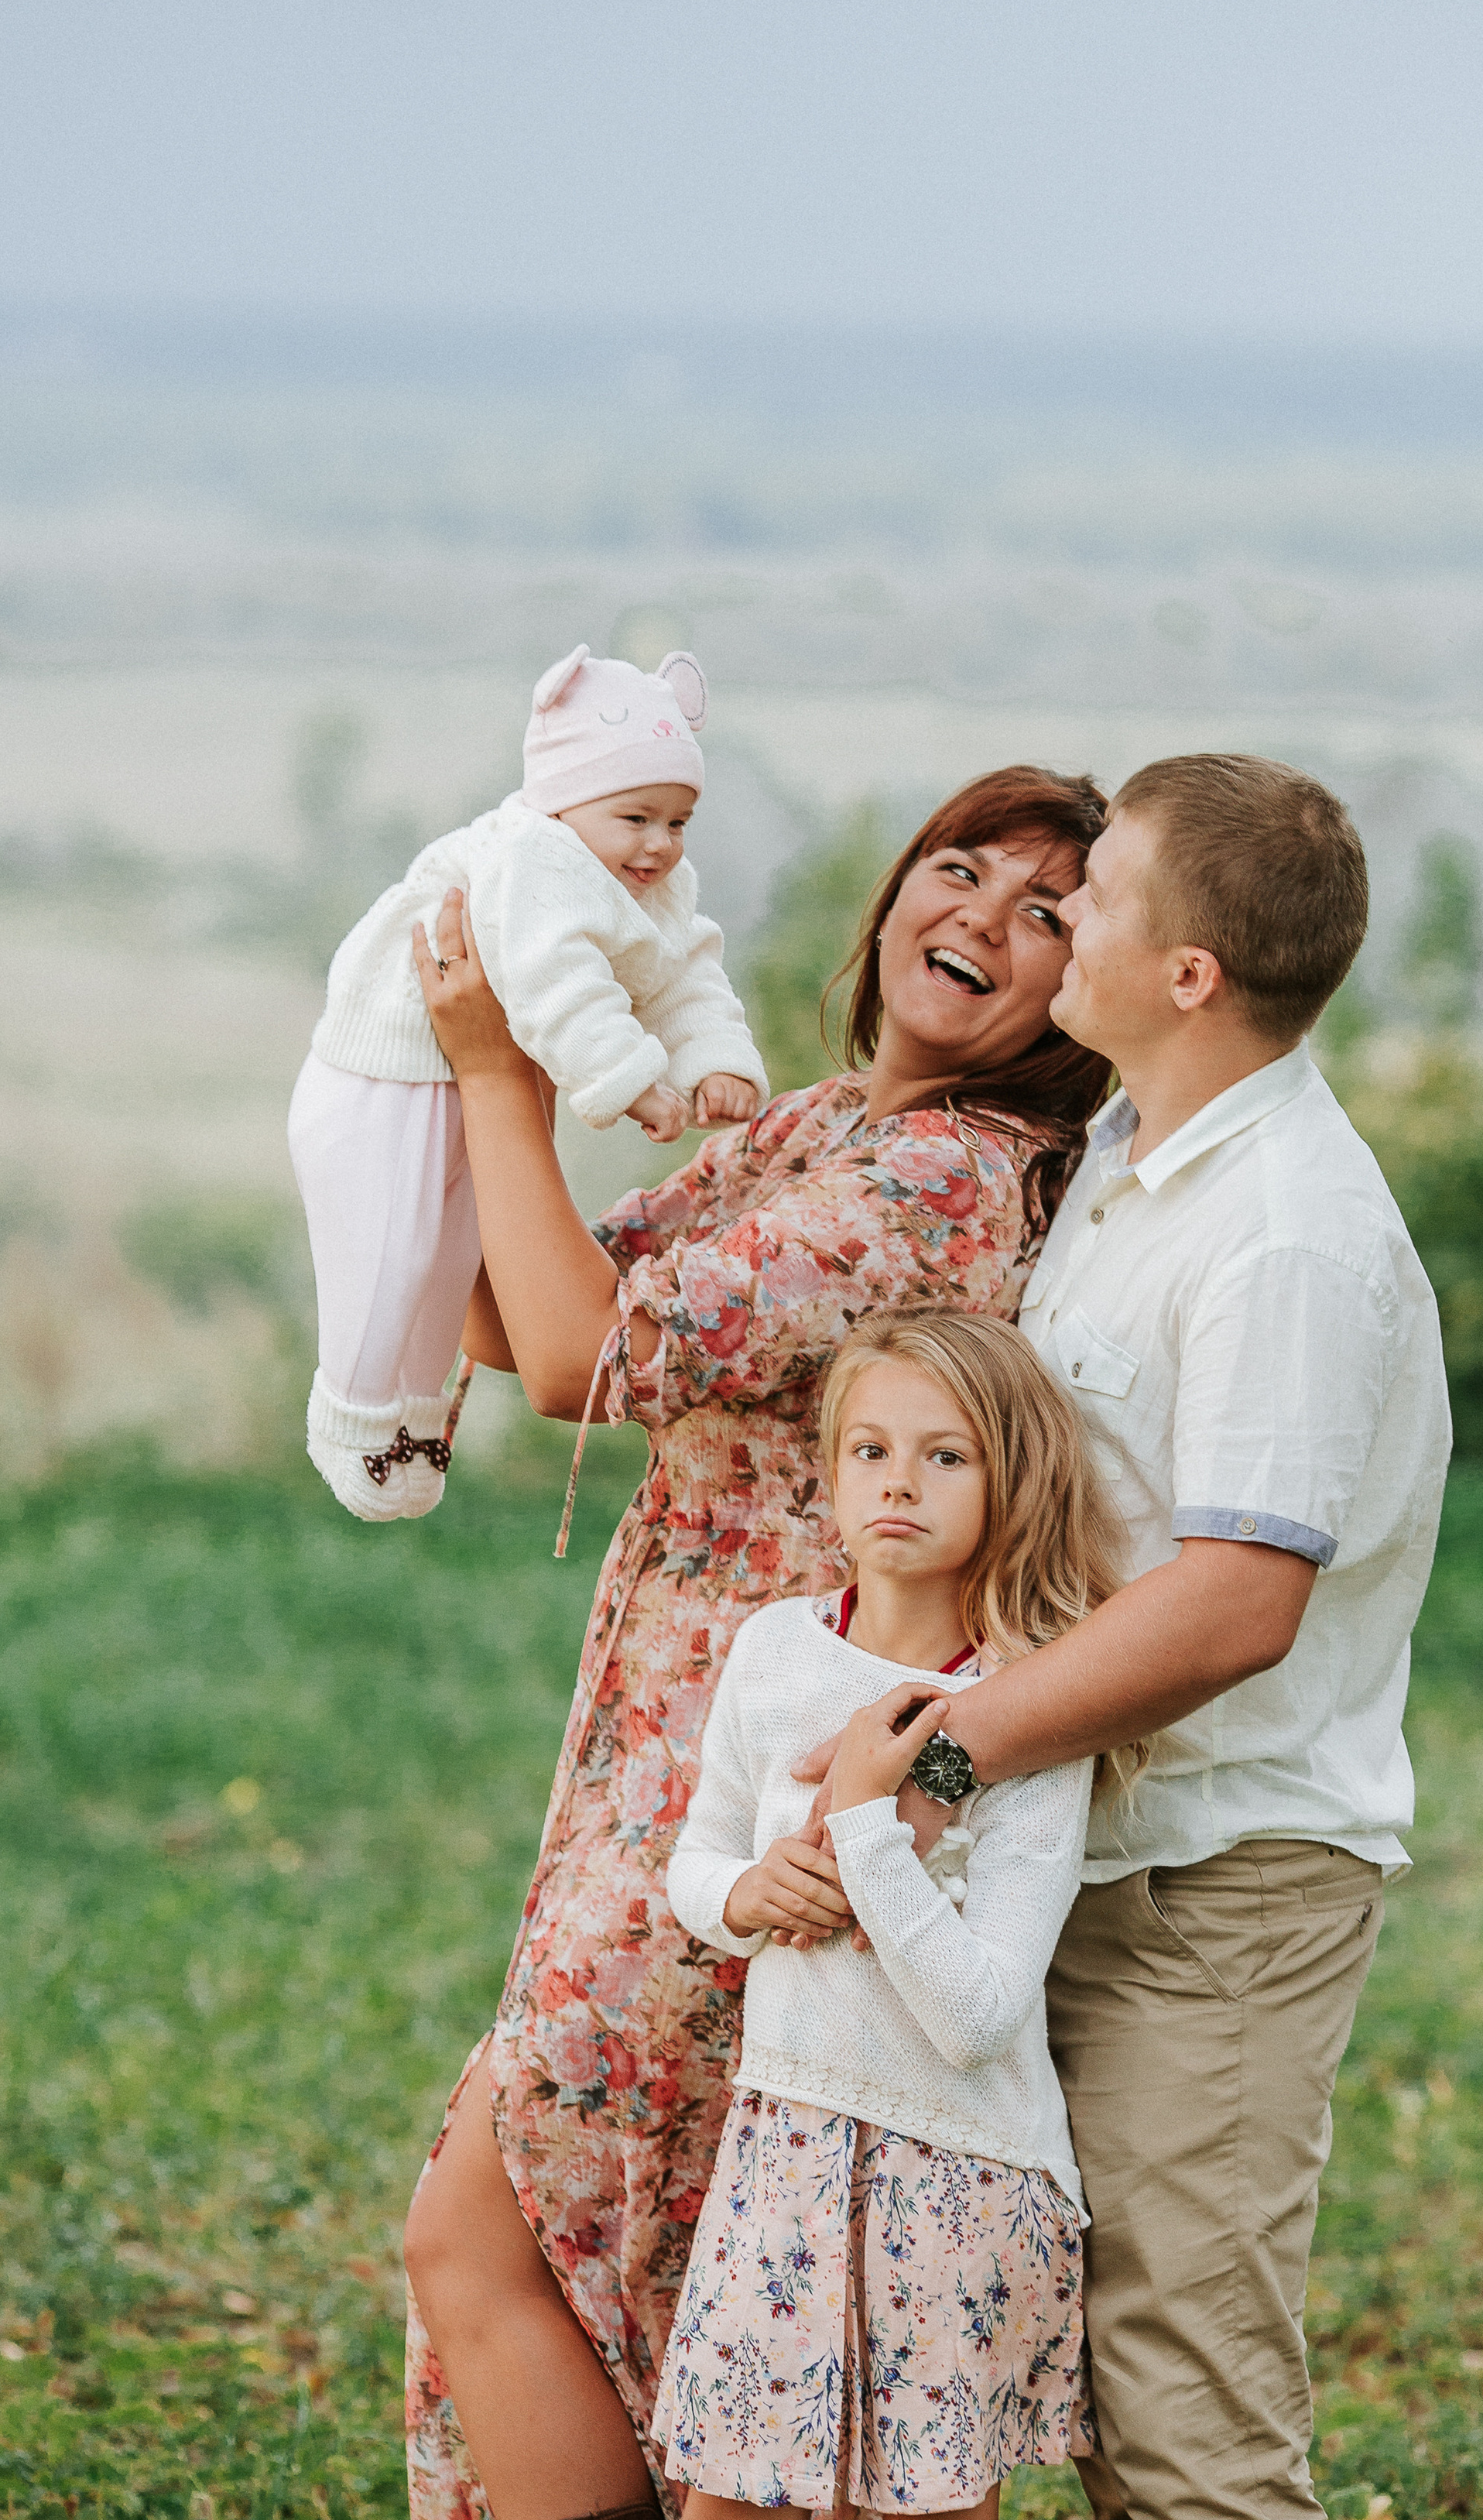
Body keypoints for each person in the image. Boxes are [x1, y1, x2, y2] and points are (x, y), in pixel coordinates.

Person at [397, 765, 1113, 2520]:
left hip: (752, 1788)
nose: (979, 920)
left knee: (486, 2237)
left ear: (1074, 1005)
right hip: (654, 1771)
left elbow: (581, 1360)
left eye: (1044, 917)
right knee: (620, 2290)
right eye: (957, 868)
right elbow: (514, 1307)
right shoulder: (821, 1128)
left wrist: (496, 1067)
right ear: (887, 896)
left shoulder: (940, 1181)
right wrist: (454, 1063)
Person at [808, 754, 1452, 2520]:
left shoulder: (1279, 1238)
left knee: (1181, 2422)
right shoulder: (1125, 1147)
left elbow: (1236, 1600)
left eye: (1089, 899)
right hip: (1073, 1847)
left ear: (1185, 974)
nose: (1055, 918)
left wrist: (939, 1759)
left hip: (1209, 1883)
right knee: (1017, 2364)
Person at [653, 1307, 1139, 2520]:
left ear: (1010, 1480)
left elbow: (978, 2015)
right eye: (869, 1450)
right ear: (829, 1475)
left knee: (921, 2506)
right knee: (728, 2498)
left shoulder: (1032, 1703)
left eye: (945, 1455)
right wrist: (743, 1893)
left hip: (955, 2165)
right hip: (788, 2143)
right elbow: (700, 1852)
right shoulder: (774, 1653)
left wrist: (868, 1822)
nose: (899, 1484)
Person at [289, 643, 765, 1521]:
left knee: (449, 1257)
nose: (660, 845)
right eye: (636, 817)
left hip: (466, 1081)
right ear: (565, 798)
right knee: (390, 1257)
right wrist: (640, 1084)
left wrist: (716, 1059)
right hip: (382, 1081)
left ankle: (419, 1423)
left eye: (678, 821)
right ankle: (349, 1415)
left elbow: (684, 968)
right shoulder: (534, 859)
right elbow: (559, 988)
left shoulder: (638, 875)